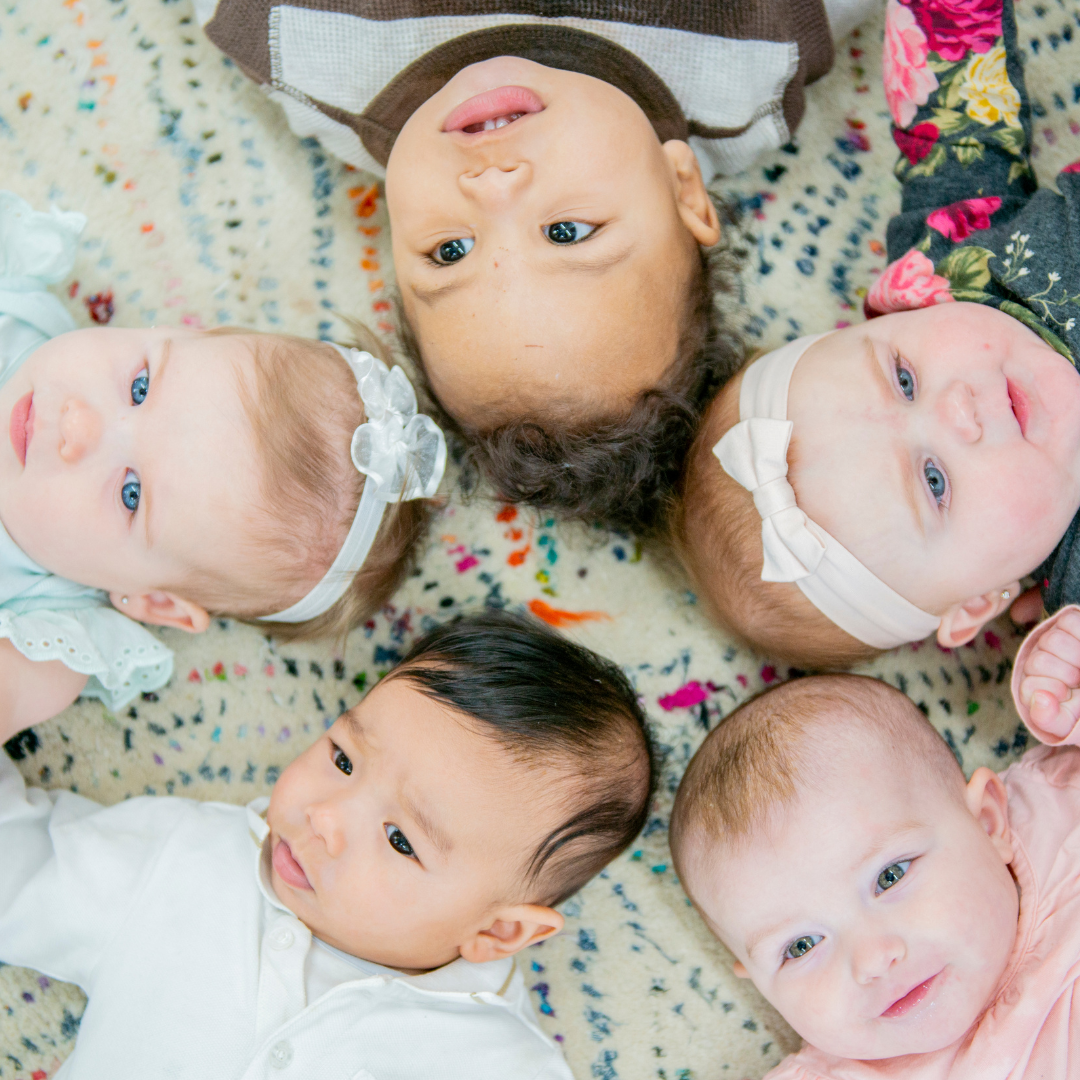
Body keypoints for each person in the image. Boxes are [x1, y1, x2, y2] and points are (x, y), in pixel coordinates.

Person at [194, 0, 875, 531]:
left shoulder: (305, 49)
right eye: (568, 231)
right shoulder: (749, 71)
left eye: (450, 251)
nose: (493, 186)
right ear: (684, 190)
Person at [0, 611, 657, 1079]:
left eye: (400, 839)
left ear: (500, 930)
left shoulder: (500, 1061)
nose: (324, 817)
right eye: (343, 760)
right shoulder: (184, 861)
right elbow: (18, 868)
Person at [675, 0, 1080, 667]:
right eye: (935, 481)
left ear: (895, 318)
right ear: (980, 600)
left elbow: (955, 96)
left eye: (903, 377)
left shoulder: (957, 266)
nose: (959, 408)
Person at [0, 190, 445, 741]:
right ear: (179, 333)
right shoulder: (14, 289)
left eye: (131, 494)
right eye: (139, 387)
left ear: (154, 601)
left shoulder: (45, 644)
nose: (77, 425)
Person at [670, 673, 1080, 1080]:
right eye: (801, 946)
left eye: (889, 877)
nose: (873, 960)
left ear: (988, 824)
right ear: (759, 985)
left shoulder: (1063, 810)